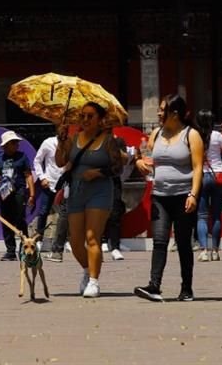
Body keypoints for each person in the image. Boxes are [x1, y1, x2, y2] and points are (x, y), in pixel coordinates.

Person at [133, 94, 204, 302]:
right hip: (160, 196)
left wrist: (193, 194)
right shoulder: (156, 133)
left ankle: (187, 288)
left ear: (174, 114)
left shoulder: (191, 135)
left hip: (183, 196)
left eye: (162, 110)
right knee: (160, 241)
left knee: (183, 243)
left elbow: (198, 167)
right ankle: (154, 286)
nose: (158, 113)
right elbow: (148, 158)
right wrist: (139, 162)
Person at [55, 101, 125, 298]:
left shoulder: (108, 140)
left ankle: (94, 281)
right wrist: (61, 141)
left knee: (92, 237)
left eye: (90, 116)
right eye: (83, 116)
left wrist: (98, 172)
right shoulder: (73, 139)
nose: (85, 119)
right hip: (77, 191)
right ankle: (87, 269)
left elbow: (117, 167)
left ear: (100, 119)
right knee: (75, 241)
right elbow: (60, 161)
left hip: (100, 191)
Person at [194, 110, 222, 262]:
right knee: (217, 215)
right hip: (219, 176)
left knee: (202, 216)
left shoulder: (195, 136)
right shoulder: (217, 136)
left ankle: (204, 250)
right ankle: (216, 251)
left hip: (202, 176)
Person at [0, 130, 35, 261]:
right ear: (6, 145)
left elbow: (28, 175)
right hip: (4, 194)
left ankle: (25, 247)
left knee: (20, 219)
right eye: (13, 143)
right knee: (6, 221)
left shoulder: (22, 157)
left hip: (19, 191)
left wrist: (32, 195)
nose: (16, 145)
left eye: (17, 142)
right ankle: (10, 250)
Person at [101, 138, 134, 261]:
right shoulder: (95, 140)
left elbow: (125, 160)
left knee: (115, 214)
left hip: (114, 180)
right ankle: (101, 242)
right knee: (99, 213)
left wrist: (114, 149)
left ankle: (115, 247)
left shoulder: (118, 141)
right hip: (98, 179)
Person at [32, 134, 64, 249]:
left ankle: (65, 241)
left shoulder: (71, 143)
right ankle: (39, 240)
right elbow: (37, 161)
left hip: (64, 183)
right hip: (49, 183)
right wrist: (42, 177)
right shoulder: (48, 142)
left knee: (66, 214)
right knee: (43, 211)